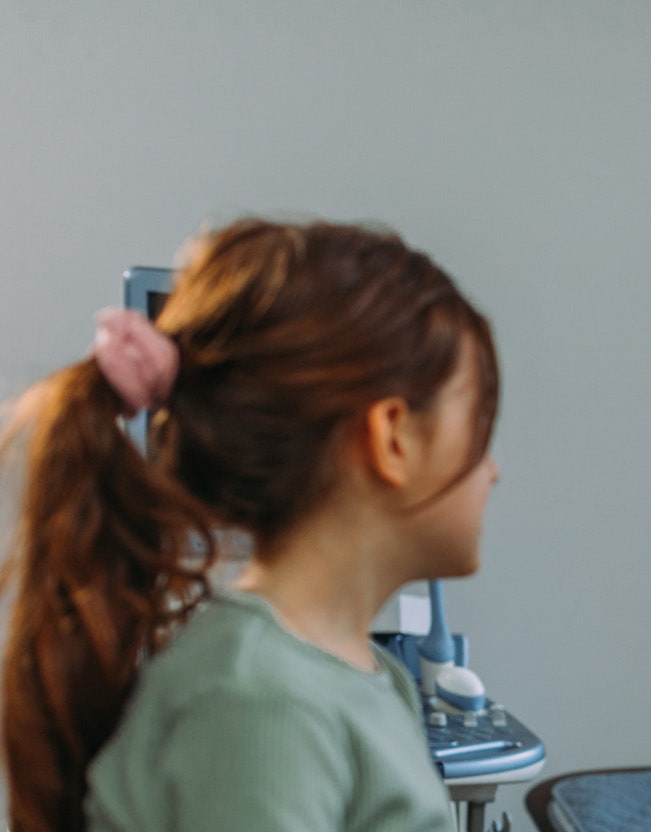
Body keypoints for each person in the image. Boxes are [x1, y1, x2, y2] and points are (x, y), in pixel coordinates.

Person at [3, 219, 500, 832]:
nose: (493, 471)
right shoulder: (258, 699)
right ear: (392, 435)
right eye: (479, 427)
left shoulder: (364, 677)